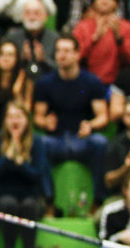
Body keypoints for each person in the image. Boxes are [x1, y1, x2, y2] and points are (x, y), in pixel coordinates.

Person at [33, 34, 110, 198]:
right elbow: (37, 117)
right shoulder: (45, 83)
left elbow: (103, 116)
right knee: (38, 143)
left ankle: (99, 199)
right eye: (59, 51)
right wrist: (45, 122)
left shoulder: (91, 82)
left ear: (77, 54)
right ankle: (47, 199)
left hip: (82, 139)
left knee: (100, 142)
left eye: (67, 51)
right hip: (57, 140)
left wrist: (91, 125)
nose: (62, 55)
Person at [0, 101, 51, 248]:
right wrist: (9, 158)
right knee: (8, 204)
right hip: (1, 197)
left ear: (27, 120)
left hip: (30, 196)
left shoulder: (37, 141)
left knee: (29, 206)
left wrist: (20, 164)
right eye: (11, 117)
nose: (15, 121)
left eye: (19, 117)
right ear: (5, 120)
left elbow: (37, 174)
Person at [72, 0, 130, 86]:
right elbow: (76, 57)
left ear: (116, 3)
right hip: (87, 83)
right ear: (93, 3)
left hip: (117, 83)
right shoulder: (82, 27)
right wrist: (94, 38)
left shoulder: (127, 27)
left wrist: (118, 37)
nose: (104, 0)